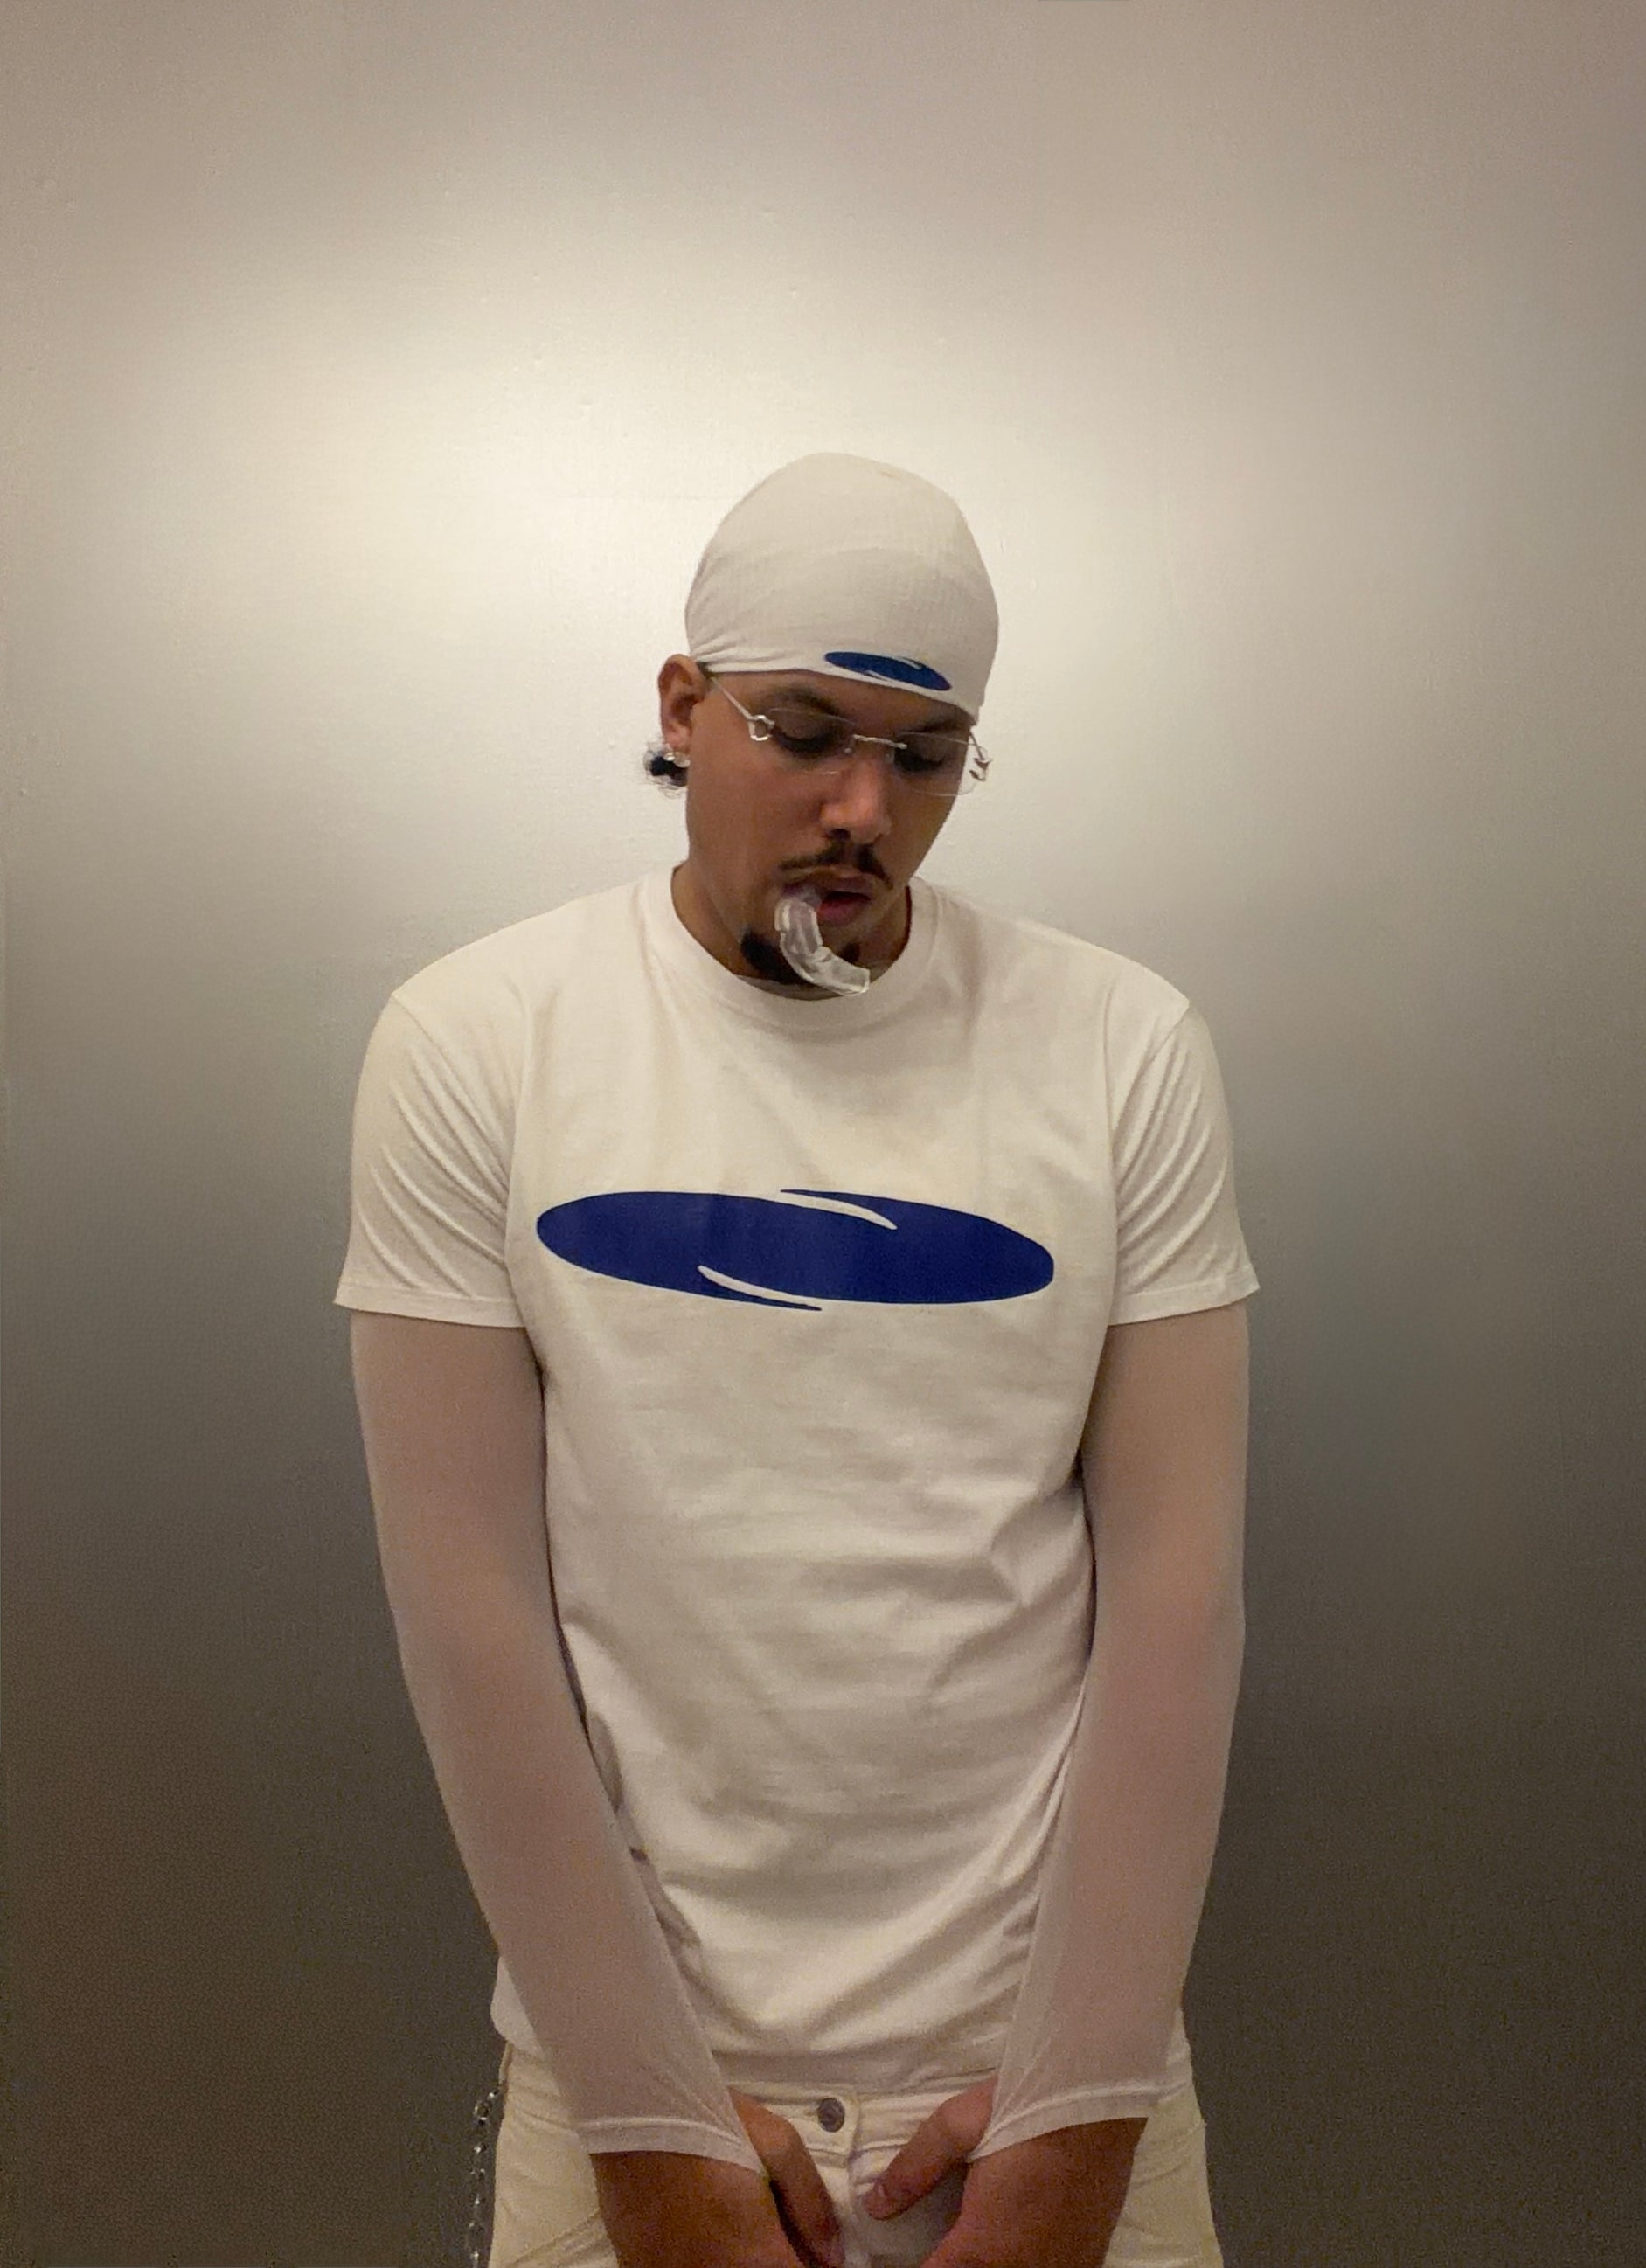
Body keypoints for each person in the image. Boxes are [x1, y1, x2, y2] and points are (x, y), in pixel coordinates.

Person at [335, 452, 1257, 2268]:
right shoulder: (481, 1039)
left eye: (925, 755)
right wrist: (651, 2119)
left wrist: (1077, 2104)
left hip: (1049, 2070)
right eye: (806, 731)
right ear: (681, 708)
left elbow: (1177, 1593)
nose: (861, 807)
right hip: (637, 2073)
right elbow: (468, 1612)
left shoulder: (1117, 1044)